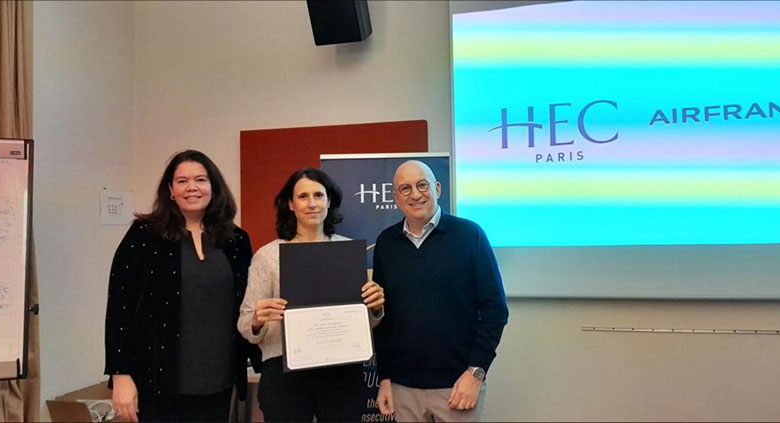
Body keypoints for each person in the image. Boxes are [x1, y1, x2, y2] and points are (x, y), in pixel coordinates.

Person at [104, 150, 256, 422]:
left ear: (214, 187)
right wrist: (120, 375)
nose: (192, 187)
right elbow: (120, 308)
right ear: (170, 190)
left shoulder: (236, 241)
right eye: (182, 181)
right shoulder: (144, 235)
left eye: (200, 179)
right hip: (157, 381)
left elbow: (248, 306)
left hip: (218, 380)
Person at [237, 167, 385, 422]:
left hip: (342, 372)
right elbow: (245, 324)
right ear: (291, 204)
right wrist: (258, 319)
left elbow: (368, 324)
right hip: (285, 374)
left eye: (318, 195)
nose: (312, 203)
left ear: (329, 201)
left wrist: (374, 308)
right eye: (303, 196)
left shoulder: (347, 252)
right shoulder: (268, 256)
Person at [373, 160, 509, 422]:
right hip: (403, 387)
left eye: (422, 185)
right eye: (405, 188)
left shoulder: (469, 235)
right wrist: (385, 377)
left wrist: (476, 372)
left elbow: (495, 310)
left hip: (458, 385)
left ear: (437, 188)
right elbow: (384, 318)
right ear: (395, 197)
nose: (415, 194)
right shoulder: (386, 243)